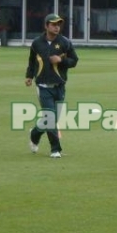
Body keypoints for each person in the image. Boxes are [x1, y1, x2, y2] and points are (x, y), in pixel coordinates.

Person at [25, 14, 79, 158]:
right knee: (50, 117)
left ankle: (35, 134)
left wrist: (60, 61)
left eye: (59, 24)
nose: (57, 27)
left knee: (53, 119)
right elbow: (32, 61)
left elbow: (74, 60)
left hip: (60, 86)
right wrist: (29, 76)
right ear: (46, 26)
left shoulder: (65, 42)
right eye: (54, 24)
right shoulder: (37, 43)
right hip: (43, 86)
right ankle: (55, 149)